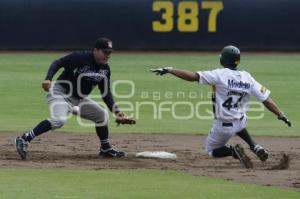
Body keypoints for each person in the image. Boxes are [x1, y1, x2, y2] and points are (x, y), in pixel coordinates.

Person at [151, 45, 291, 168]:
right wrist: (281, 114)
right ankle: (255, 146)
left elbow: (193, 77)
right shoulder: (247, 77)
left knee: (212, 150)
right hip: (241, 119)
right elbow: (266, 99)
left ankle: (233, 152)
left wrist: (170, 69)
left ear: (223, 60)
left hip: (223, 125)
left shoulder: (219, 75)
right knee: (239, 124)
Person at [16, 37, 133, 159]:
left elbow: (105, 93)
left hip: (79, 99)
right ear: (95, 50)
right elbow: (58, 62)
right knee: (59, 120)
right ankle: (24, 138)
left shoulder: (105, 69)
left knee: (102, 116)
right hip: (60, 93)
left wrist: (117, 111)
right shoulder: (80, 57)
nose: (108, 55)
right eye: (105, 52)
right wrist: (48, 78)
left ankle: (106, 148)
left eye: (110, 52)